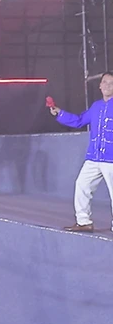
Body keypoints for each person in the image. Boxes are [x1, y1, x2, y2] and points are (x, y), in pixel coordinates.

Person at [47, 74, 113, 232]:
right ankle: (84, 221)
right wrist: (60, 113)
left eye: (111, 83)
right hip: (94, 157)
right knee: (82, 185)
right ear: (100, 85)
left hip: (111, 158)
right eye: (104, 82)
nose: (107, 85)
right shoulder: (96, 106)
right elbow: (79, 121)